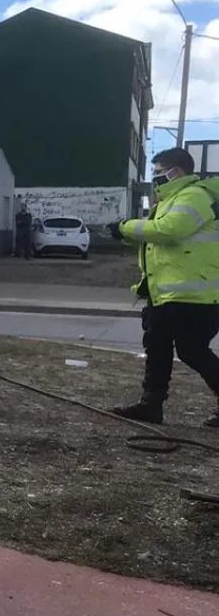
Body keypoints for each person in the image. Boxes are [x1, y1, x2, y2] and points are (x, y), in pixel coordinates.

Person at [108, 147, 219, 427]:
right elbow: (157, 235)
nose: (155, 178)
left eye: (158, 172)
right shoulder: (170, 199)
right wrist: (124, 234)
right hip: (167, 292)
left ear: (176, 171)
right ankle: (150, 405)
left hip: (195, 295)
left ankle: (151, 403)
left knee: (192, 351)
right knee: (157, 347)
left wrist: (125, 226)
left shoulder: (194, 196)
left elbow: (170, 230)